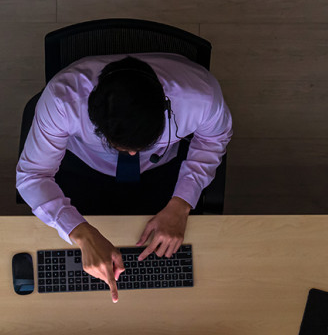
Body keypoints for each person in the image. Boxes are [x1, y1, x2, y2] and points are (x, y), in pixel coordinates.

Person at [17, 54, 233, 303]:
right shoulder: (63, 100)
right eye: (124, 147)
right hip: (84, 166)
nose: (132, 154)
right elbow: (33, 175)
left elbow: (213, 139)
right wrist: (81, 233)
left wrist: (181, 203)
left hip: (161, 167)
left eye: (140, 145)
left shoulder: (201, 97)